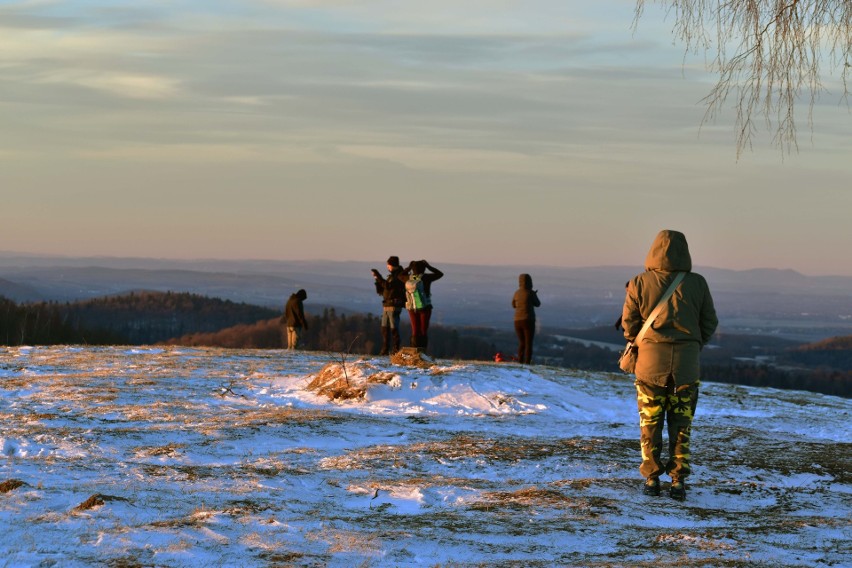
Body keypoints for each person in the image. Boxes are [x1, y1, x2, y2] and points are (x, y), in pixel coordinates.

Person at [621, 230, 718, 501]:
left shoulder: (639, 283)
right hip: (687, 368)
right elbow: (710, 323)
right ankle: (678, 481)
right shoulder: (698, 283)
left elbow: (629, 325)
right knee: (681, 424)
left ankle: (652, 478)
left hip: (650, 367)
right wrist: (692, 345)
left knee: (650, 422)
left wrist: (644, 343)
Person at [398, 260, 443, 351]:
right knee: (423, 331)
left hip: (411, 308)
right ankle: (422, 351)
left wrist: (408, 267)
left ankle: (413, 350)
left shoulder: (408, 278)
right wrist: (429, 266)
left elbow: (399, 275)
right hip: (425, 308)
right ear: (424, 269)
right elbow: (440, 274)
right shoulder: (425, 277)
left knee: (415, 330)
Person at [371, 256, 406, 355]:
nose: (387, 267)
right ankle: (385, 349)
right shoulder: (391, 276)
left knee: (394, 328)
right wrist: (377, 281)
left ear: (393, 265)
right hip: (387, 304)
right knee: (384, 328)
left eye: (389, 265)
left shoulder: (399, 276)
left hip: (394, 305)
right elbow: (383, 290)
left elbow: (388, 286)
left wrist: (379, 276)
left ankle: (395, 349)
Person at [512, 273, 541, 364]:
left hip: (517, 321)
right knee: (529, 343)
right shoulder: (530, 292)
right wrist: (534, 295)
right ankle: (527, 362)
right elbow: (538, 304)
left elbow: (513, 305)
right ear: (530, 282)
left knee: (522, 343)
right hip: (528, 320)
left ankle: (520, 361)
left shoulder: (516, 293)